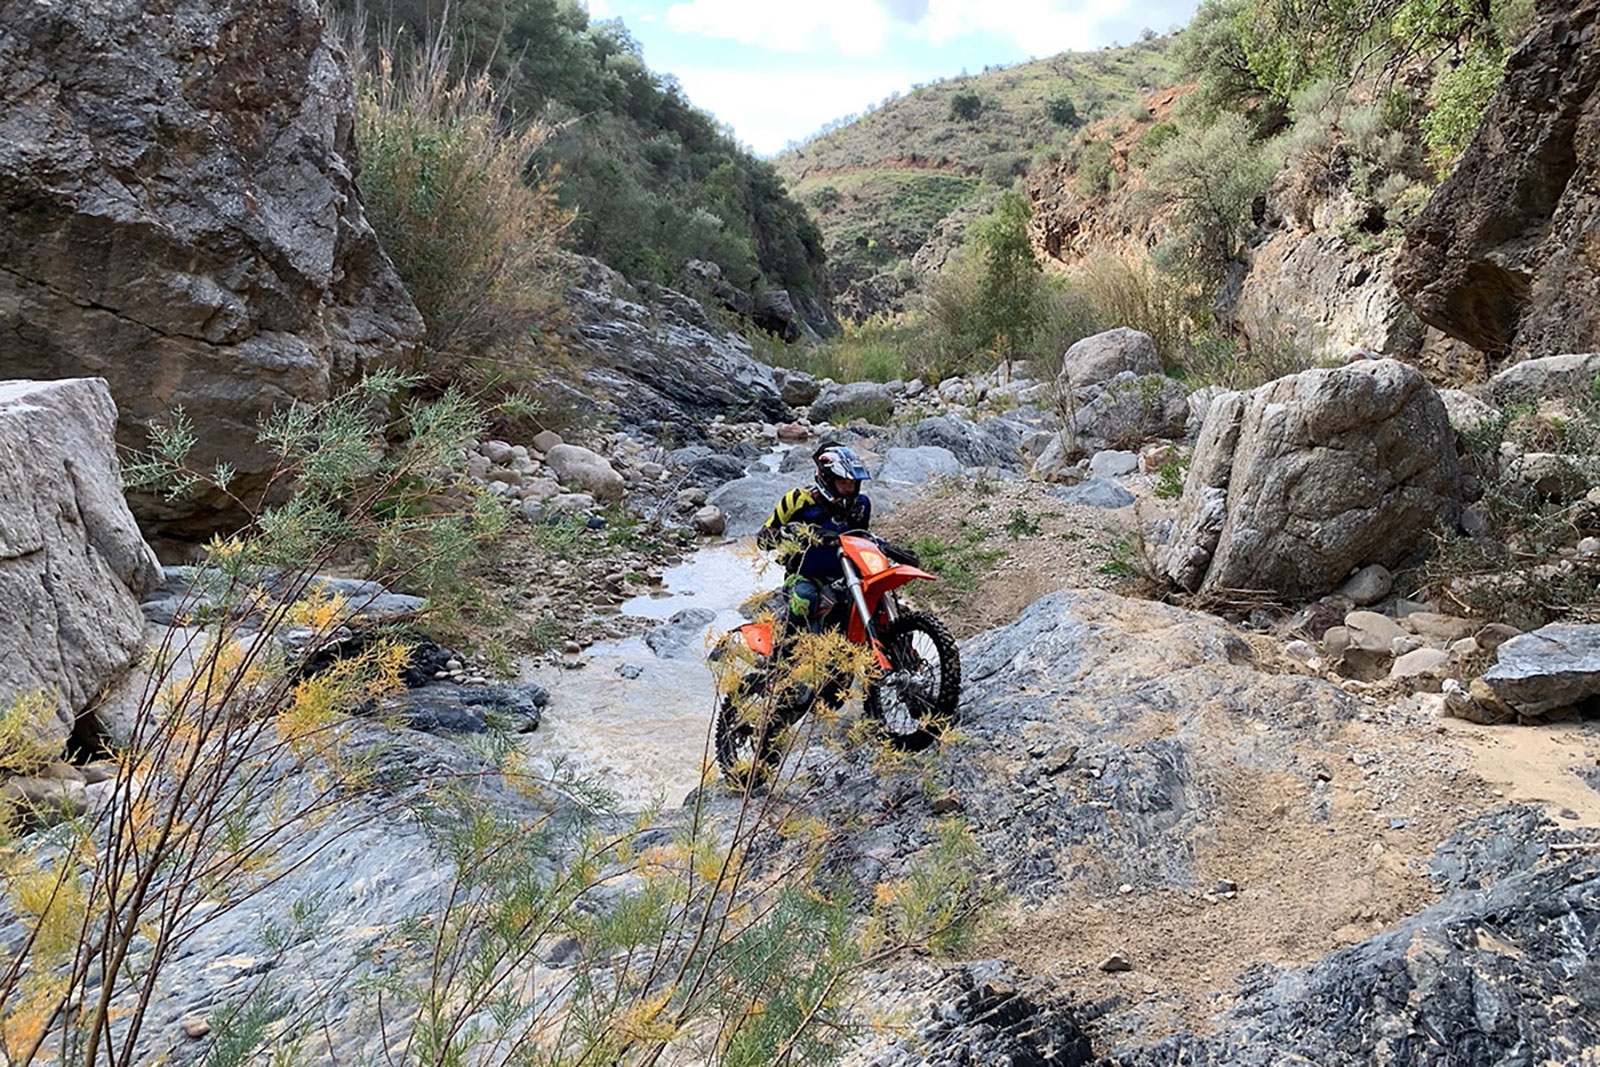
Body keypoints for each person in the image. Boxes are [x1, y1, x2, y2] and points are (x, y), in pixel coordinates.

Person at [757, 442, 872, 635]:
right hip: (806, 576)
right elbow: (763, 540)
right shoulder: (798, 500)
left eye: (852, 483)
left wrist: (889, 548)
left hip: (848, 575)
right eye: (843, 482)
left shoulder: (861, 504)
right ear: (827, 479)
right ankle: (784, 649)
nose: (849, 488)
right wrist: (795, 532)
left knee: (882, 601)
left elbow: (862, 538)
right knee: (805, 599)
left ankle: (904, 654)